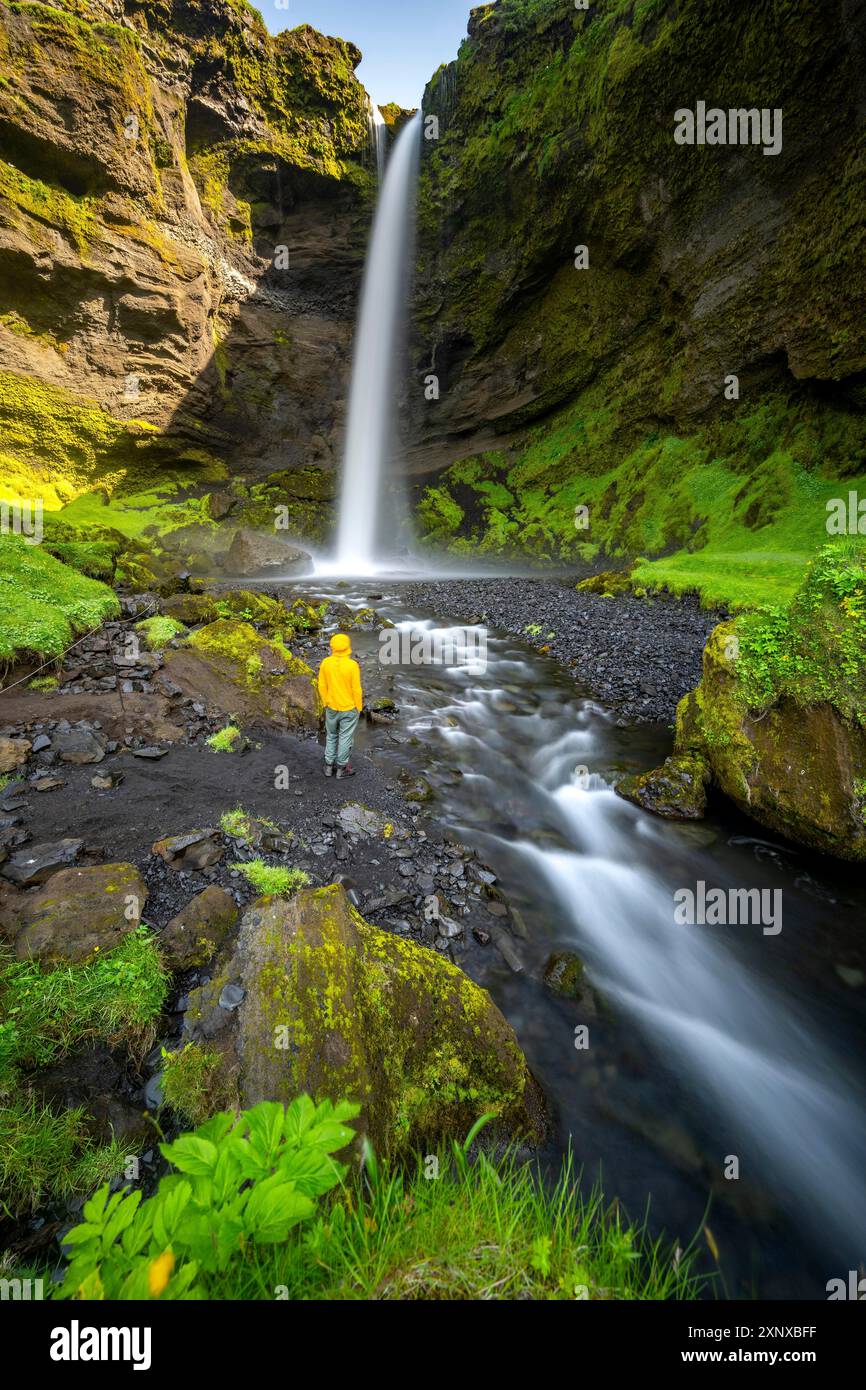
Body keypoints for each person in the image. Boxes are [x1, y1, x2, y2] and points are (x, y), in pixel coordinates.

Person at [317, 632, 363, 778]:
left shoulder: (326, 663)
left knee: (331, 736)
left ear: (332, 647)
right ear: (348, 648)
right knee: (345, 737)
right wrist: (359, 707)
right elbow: (356, 689)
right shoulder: (352, 665)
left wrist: (325, 702)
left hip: (331, 706)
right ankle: (341, 769)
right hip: (349, 707)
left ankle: (329, 766)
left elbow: (321, 685)